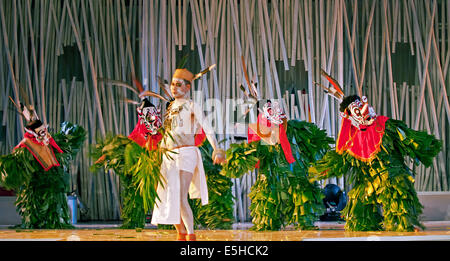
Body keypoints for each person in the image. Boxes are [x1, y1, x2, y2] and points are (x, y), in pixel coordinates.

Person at [309, 70, 442, 231]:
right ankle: (367, 224)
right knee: (360, 199)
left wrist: (421, 146)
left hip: (390, 172)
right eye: (356, 110)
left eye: (362, 105)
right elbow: (340, 155)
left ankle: (404, 224)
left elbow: (407, 138)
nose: (363, 110)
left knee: (397, 193)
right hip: (367, 178)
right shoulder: (353, 140)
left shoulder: (383, 125)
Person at [151, 67, 226, 241]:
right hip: (169, 156)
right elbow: (169, 132)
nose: (174, 88)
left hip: (186, 153)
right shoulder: (170, 108)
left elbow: (207, 128)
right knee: (169, 196)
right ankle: (181, 232)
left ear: (187, 88)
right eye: (172, 84)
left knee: (180, 194)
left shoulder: (193, 106)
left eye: (178, 85)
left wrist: (217, 149)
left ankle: (191, 234)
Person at [0, 101, 86, 228]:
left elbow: (57, 148)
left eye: (44, 131)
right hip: (36, 181)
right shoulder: (26, 145)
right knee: (35, 204)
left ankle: (53, 222)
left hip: (52, 178)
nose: (44, 134)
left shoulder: (47, 139)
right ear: (33, 132)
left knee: (53, 202)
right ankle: (34, 222)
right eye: (41, 132)